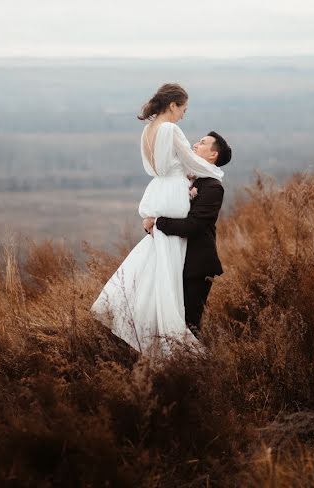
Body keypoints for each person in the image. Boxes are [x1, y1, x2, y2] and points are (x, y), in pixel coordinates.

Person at [91, 84, 223, 356]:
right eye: (183, 109)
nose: (184, 116)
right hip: (173, 192)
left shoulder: (147, 131)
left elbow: (154, 167)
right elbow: (190, 160)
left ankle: (145, 317)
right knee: (170, 261)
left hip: (159, 190)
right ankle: (170, 332)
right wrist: (215, 173)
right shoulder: (170, 129)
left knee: (159, 258)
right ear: (173, 105)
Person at [143, 131, 231, 338]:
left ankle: (194, 367)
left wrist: (157, 223)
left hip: (197, 267)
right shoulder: (190, 180)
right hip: (178, 262)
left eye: (202, 143)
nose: (194, 144)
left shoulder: (212, 187)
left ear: (213, 155)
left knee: (189, 325)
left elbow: (193, 225)